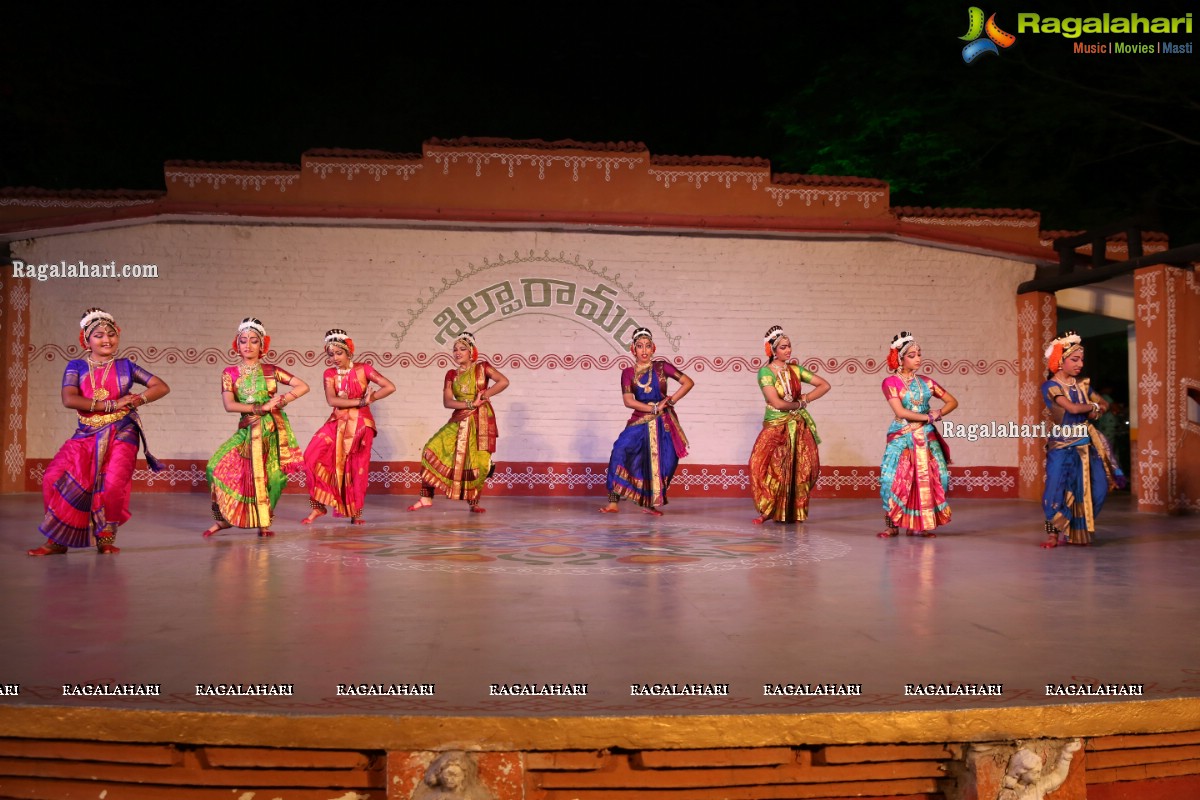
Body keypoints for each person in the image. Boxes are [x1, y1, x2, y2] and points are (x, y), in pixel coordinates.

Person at [28, 308, 170, 556]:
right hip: (86, 432)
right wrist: (110, 404)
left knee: (113, 483)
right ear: (86, 340)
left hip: (122, 432)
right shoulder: (77, 366)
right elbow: (69, 399)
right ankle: (58, 540)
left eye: (112, 334)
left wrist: (137, 401)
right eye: (99, 335)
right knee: (53, 477)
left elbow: (161, 386)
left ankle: (105, 537)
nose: (107, 339)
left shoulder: (126, 366)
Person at [204, 317, 308, 537]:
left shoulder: (271, 370)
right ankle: (224, 519)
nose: (248, 345)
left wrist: (280, 401)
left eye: (253, 341)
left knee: (273, 476)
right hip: (247, 428)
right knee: (214, 467)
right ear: (237, 344)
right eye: (243, 341)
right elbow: (229, 405)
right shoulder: (229, 373)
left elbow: (303, 386)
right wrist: (260, 407)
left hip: (271, 430)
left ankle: (263, 522)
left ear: (262, 345)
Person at [407, 331, 509, 513]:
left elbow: (503, 381)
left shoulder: (483, 368)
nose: (457, 352)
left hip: (481, 420)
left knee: (480, 462)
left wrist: (484, 396)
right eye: (454, 350)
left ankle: (474, 502)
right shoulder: (451, 374)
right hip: (459, 417)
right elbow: (448, 402)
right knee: (430, 449)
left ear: (472, 351)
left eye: (462, 349)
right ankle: (426, 497)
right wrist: (470, 403)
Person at [302, 329, 395, 525]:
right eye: (331, 354)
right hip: (337, 421)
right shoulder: (329, 374)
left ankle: (356, 513)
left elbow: (389, 386)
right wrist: (361, 401)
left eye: (339, 353)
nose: (334, 358)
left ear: (348, 352)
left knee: (356, 467)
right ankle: (319, 506)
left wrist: (372, 398)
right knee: (311, 455)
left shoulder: (364, 369)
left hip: (361, 425)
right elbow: (332, 400)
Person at [1040, 332, 1125, 548]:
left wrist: (1094, 408)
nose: (1080, 364)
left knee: (1098, 489)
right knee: (1055, 491)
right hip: (1061, 445)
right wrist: (1094, 408)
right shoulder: (1050, 386)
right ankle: (1053, 534)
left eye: (1081, 360)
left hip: (1087, 445)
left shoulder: (1084, 385)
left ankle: (1076, 531)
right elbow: (1073, 408)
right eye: (1075, 359)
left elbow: (1102, 407)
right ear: (1060, 361)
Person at [599, 327, 694, 516]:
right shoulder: (628, 373)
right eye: (640, 346)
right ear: (633, 349)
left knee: (666, 461)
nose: (644, 350)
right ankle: (613, 502)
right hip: (640, 419)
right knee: (621, 449)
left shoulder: (662, 367)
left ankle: (648, 503)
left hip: (663, 421)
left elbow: (688, 382)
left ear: (654, 348)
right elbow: (628, 401)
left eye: (648, 346)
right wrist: (653, 408)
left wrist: (671, 401)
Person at [878, 331, 957, 538]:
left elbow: (952, 401)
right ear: (901, 359)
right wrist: (927, 418)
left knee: (935, 477)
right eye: (912, 355)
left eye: (919, 354)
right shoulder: (890, 383)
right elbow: (900, 412)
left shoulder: (927, 382)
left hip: (926, 436)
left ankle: (921, 524)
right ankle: (892, 525)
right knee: (894, 479)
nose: (918, 358)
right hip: (902, 435)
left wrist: (937, 414)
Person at [749, 326, 830, 524]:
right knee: (765, 465)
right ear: (773, 350)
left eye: (789, 346)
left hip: (797, 426)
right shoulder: (765, 372)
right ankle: (768, 509)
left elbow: (825, 385)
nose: (788, 350)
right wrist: (798, 404)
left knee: (800, 467)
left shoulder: (796, 370)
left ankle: (795, 512)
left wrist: (805, 399)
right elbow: (776, 403)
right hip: (776, 425)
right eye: (783, 347)